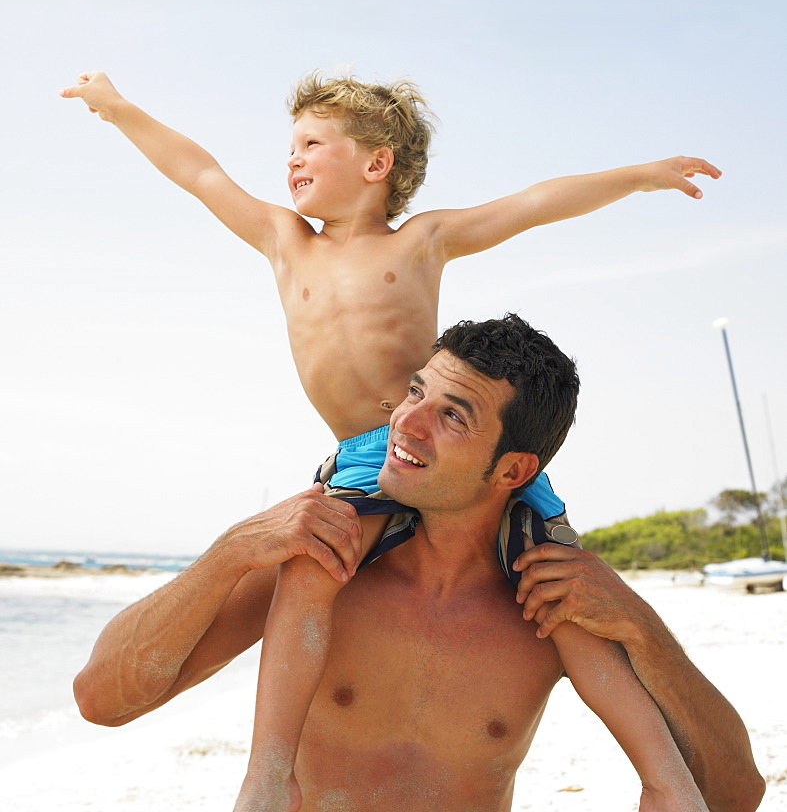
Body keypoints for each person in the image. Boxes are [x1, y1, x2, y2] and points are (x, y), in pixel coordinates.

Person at [62, 71, 722, 810]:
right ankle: (267, 774)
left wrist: (638, 177)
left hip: (452, 449)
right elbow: (199, 172)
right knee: (313, 564)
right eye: (291, 145)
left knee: (562, 588)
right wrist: (118, 110)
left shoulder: (421, 241)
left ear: (376, 164)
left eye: (312, 143)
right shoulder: (285, 242)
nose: (291, 159)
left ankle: (666, 781)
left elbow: (531, 205)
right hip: (367, 456)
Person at [73, 315, 765, 812]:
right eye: (414, 393)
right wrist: (228, 554)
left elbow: (732, 797)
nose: (405, 422)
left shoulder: (552, 600)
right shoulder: (326, 560)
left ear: (512, 469)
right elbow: (100, 701)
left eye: (453, 416)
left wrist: (641, 627)